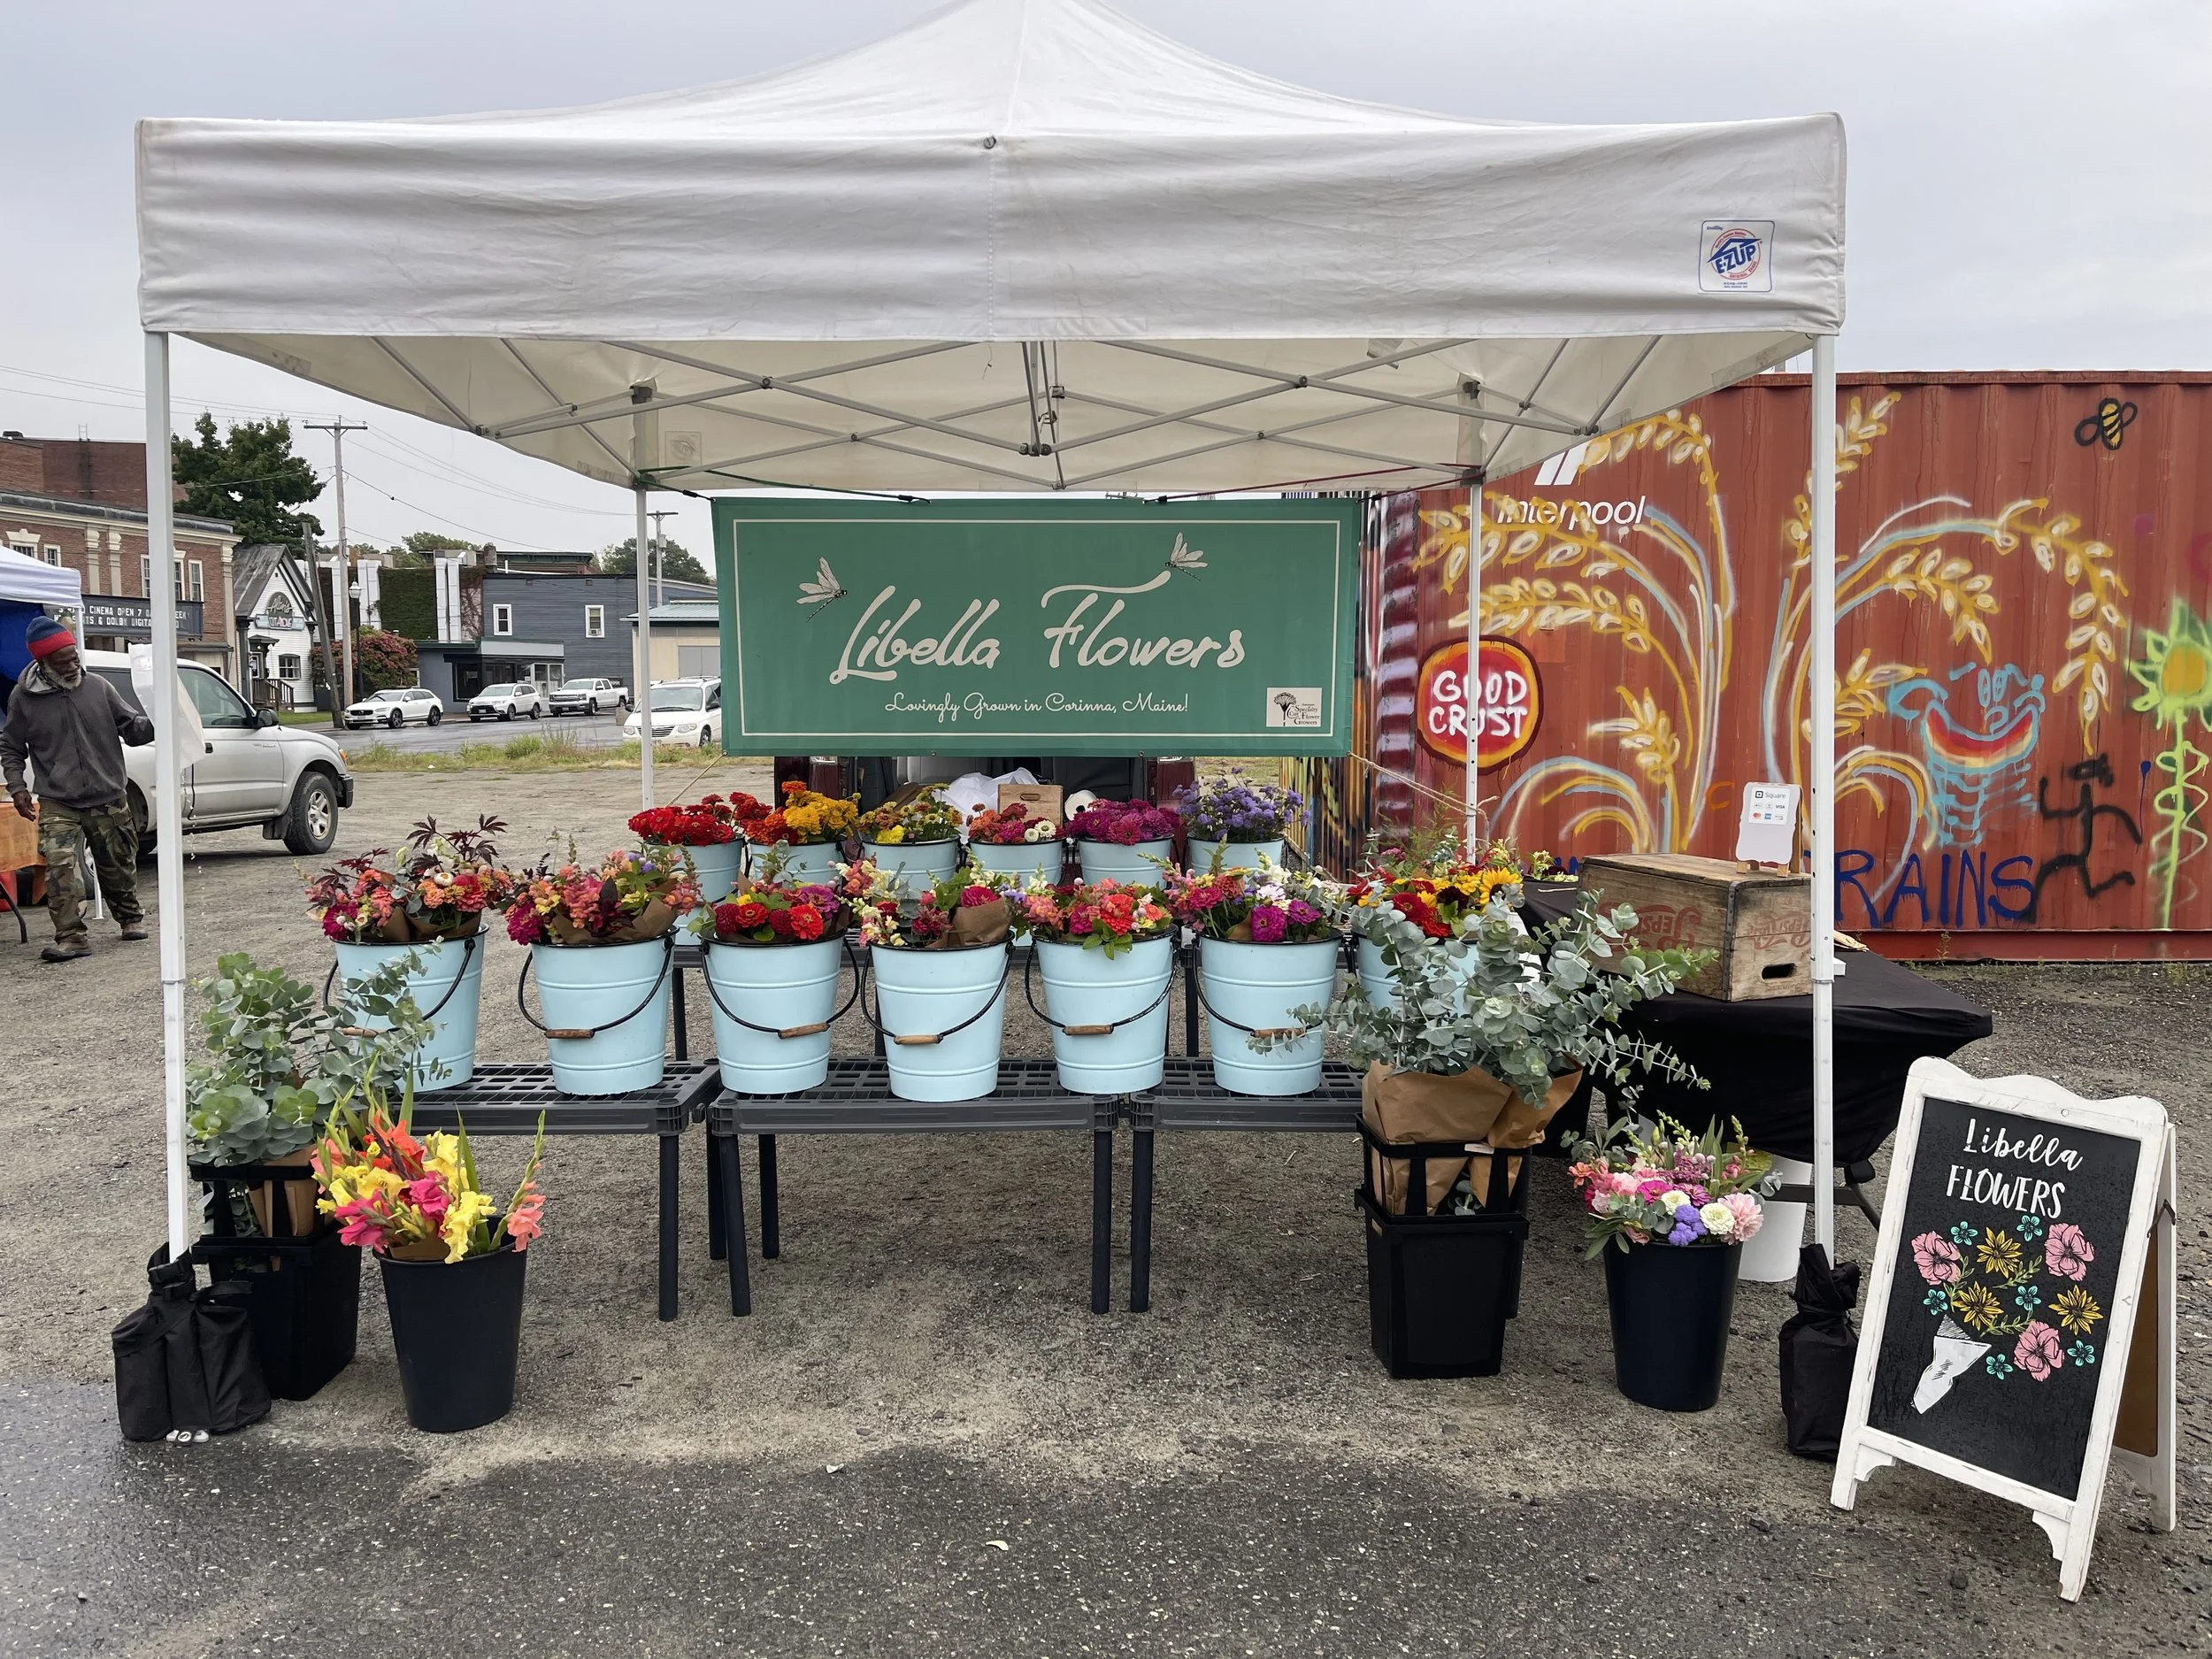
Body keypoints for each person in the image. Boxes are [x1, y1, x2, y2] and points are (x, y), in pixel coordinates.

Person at [2, 618, 153, 962]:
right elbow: (11, 746)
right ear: (42, 664)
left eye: (74, 657)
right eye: (63, 662)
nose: (73, 666)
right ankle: (71, 937)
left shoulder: (98, 686)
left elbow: (130, 728)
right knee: (59, 868)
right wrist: (17, 787)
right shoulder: (23, 699)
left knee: (116, 863)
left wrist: (161, 722)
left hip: (108, 794)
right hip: (58, 799)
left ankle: (129, 918)